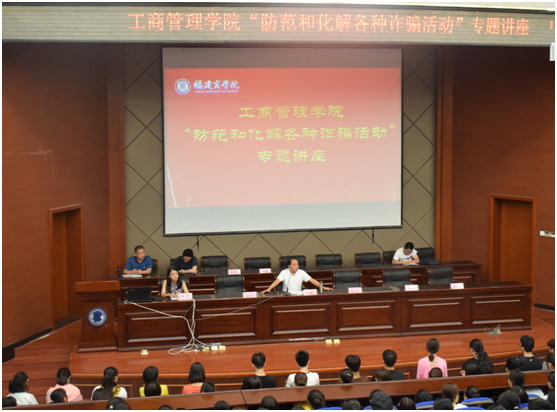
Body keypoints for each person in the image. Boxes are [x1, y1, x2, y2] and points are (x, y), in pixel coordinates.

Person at [262, 258, 333, 295]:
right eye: (294, 265)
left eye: (297, 264)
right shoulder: (284, 272)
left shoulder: (301, 272)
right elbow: (277, 281)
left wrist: (323, 287)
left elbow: (312, 280)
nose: (297, 266)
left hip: (298, 294)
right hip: (286, 295)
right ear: (289, 266)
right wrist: (269, 289)